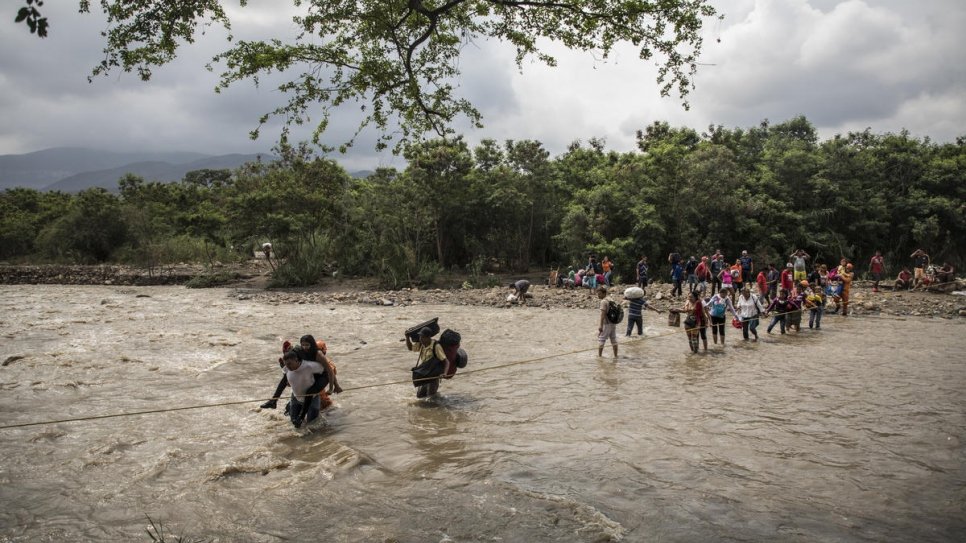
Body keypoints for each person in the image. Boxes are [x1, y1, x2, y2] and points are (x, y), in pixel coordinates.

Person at [261, 335, 340, 410]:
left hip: (317, 385)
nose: (305, 347)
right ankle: (274, 401)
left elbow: (330, 372)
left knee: (320, 402)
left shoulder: (321, 358)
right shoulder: (302, 353)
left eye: (307, 345)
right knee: (287, 381)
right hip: (306, 380)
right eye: (303, 345)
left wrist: (334, 387)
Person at [281, 347, 334, 428]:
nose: (288, 366)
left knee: (313, 422)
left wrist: (332, 387)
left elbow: (329, 372)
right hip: (298, 396)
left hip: (314, 396)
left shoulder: (313, 365)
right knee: (295, 422)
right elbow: (287, 379)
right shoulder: (291, 366)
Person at [407, 327, 451, 398]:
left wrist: (445, 373)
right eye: (420, 337)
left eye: (423, 337)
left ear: (428, 337)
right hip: (424, 375)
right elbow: (410, 348)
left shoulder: (436, 346)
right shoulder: (421, 344)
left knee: (431, 398)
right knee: (420, 396)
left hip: (433, 376)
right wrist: (407, 338)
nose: (421, 339)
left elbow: (446, 362)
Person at [596, 286, 619, 357]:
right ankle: (616, 356)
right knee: (614, 340)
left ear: (604, 293)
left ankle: (599, 357)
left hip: (606, 324)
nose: (598, 295)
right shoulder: (611, 299)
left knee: (601, 339)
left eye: (599, 294)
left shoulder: (603, 301)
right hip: (613, 323)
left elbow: (602, 314)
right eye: (598, 294)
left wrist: (600, 326)